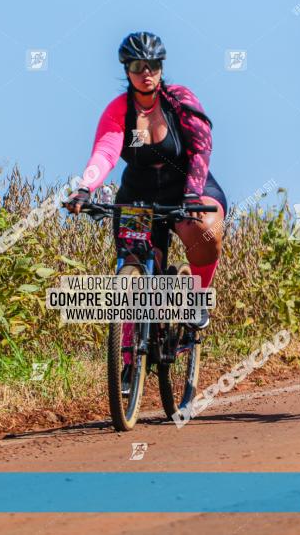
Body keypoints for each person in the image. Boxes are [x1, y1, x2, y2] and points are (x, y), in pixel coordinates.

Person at [66, 31, 227, 330]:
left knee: (207, 232)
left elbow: (201, 147)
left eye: (153, 65)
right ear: (126, 69)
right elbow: (105, 152)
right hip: (139, 193)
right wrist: (85, 189)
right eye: (138, 66)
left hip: (187, 185)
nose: (146, 73)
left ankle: (196, 297)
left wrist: (192, 193)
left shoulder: (179, 99)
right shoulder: (119, 110)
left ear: (162, 67)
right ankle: (128, 356)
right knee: (134, 265)